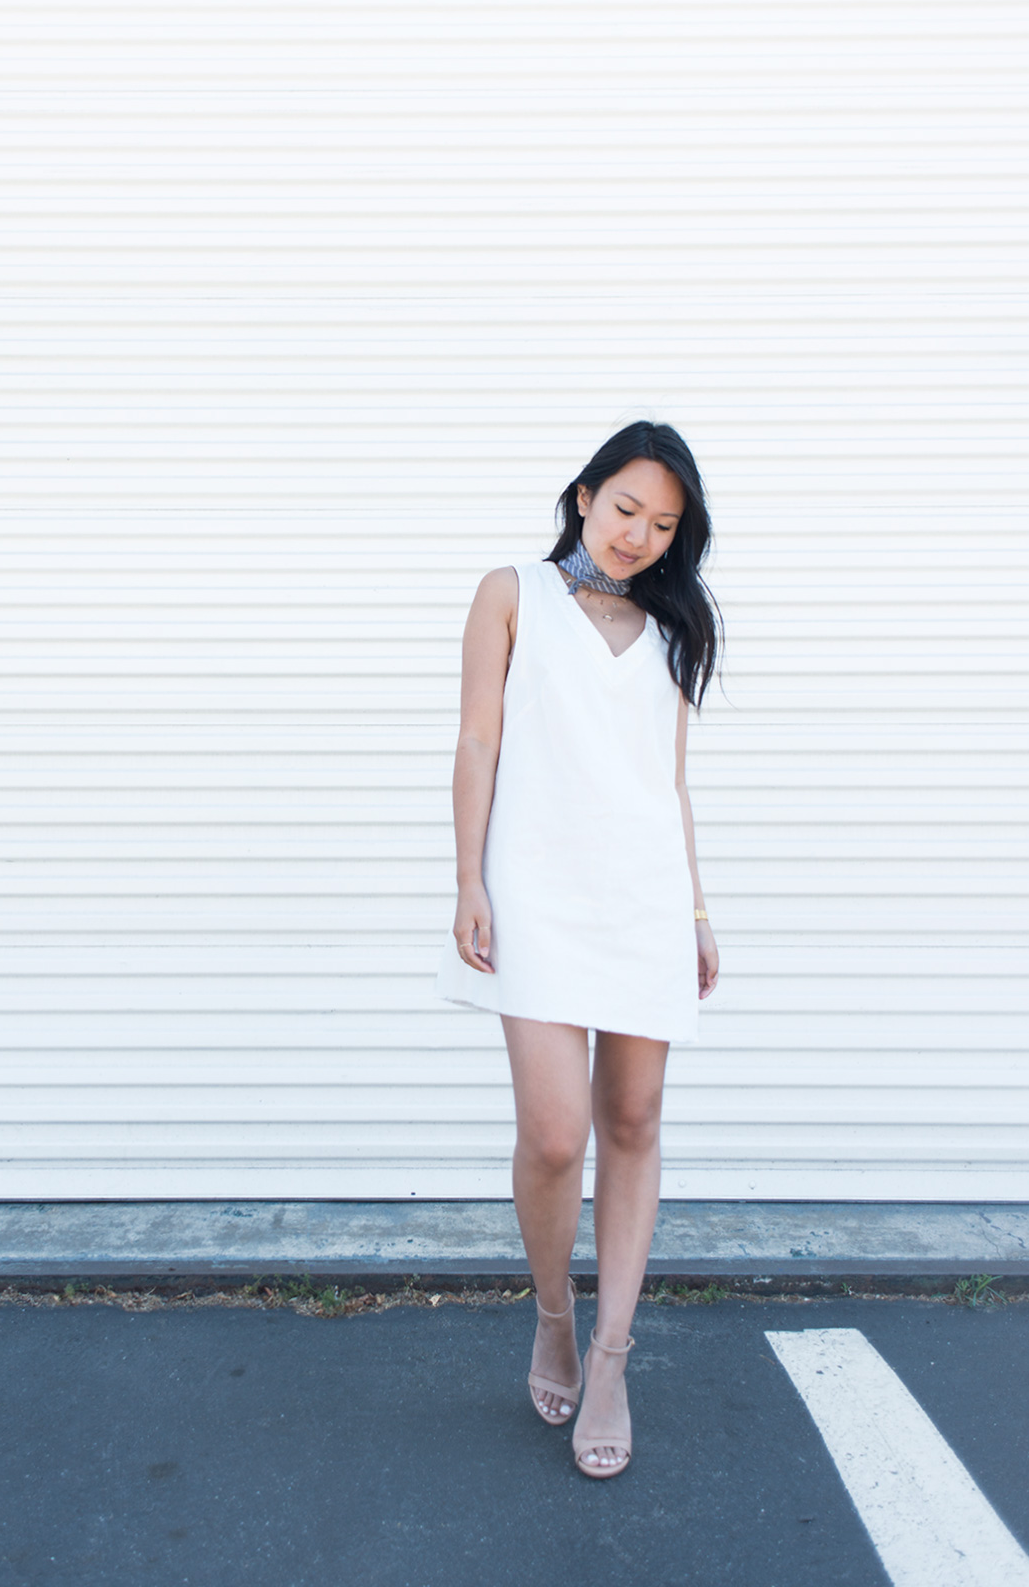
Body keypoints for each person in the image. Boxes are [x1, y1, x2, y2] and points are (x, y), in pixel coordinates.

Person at [432, 419, 722, 1480]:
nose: (640, 535)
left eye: (664, 523)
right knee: (556, 1137)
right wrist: (468, 876)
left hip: (643, 900)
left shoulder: (674, 625)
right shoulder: (511, 591)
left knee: (634, 1122)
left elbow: (669, 782)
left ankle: (610, 1357)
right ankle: (553, 1311)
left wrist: (694, 911)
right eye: (626, 510)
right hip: (539, 896)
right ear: (585, 494)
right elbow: (476, 738)